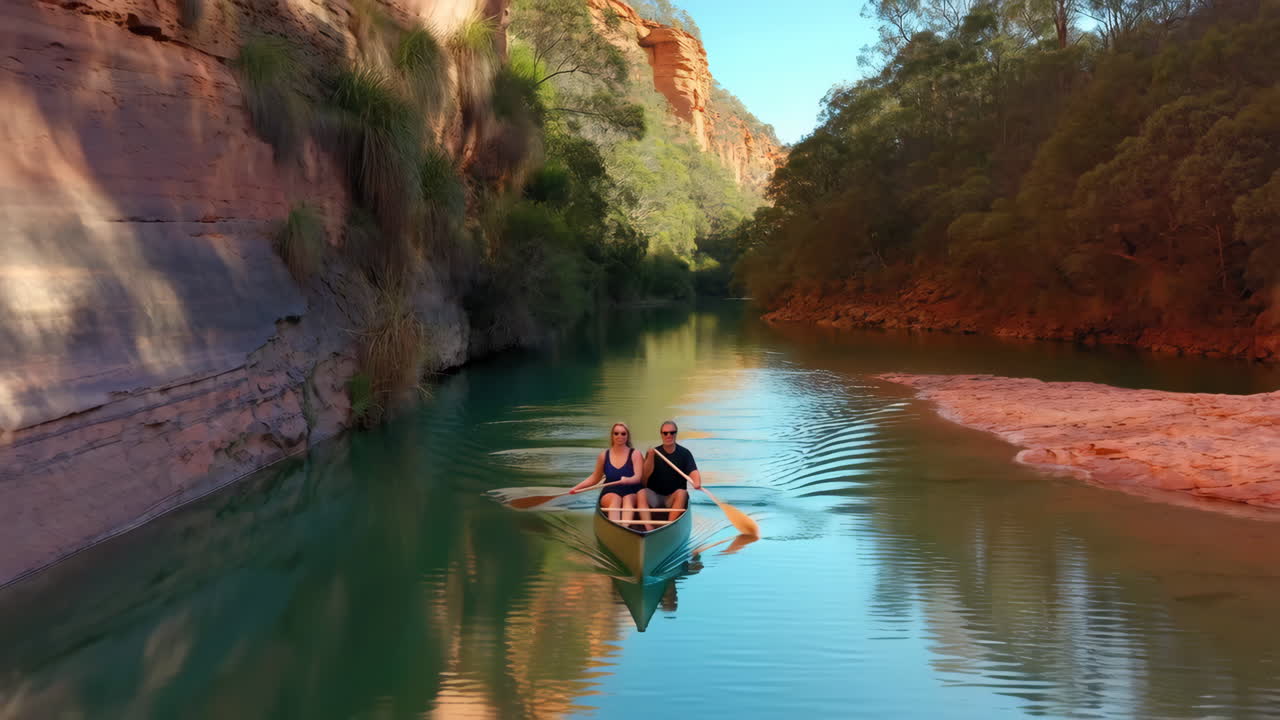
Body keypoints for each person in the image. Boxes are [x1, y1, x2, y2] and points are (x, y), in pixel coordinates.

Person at [569, 422, 644, 523]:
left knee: (628, 500)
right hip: (611, 490)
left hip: (630, 490)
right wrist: (576, 488)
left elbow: (638, 478)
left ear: (627, 436)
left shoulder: (635, 454)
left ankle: (625, 529)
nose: (619, 436)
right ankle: (616, 528)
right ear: (612, 436)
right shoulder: (604, 455)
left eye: (623, 433)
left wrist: (627, 480)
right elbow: (595, 478)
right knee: (615, 500)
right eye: (616, 433)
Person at [639, 420, 701, 530]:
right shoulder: (653, 452)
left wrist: (697, 482)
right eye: (665, 433)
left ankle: (668, 526)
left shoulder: (685, 453)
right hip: (655, 497)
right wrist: (650, 458)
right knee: (641, 492)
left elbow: (693, 471)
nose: (669, 435)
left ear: (676, 434)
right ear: (661, 434)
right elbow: (644, 480)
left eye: (672, 432)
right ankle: (648, 527)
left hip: (672, 499)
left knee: (682, 493)